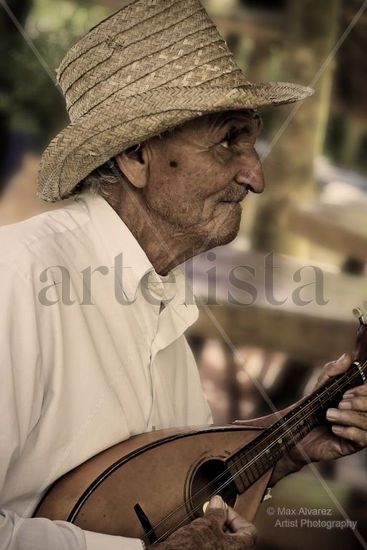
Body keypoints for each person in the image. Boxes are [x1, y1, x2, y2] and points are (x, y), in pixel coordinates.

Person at [1, 1, 367, 549]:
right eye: (229, 140)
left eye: (252, 139)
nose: (256, 175)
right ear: (135, 156)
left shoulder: (162, 290)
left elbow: (177, 496)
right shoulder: (19, 279)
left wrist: (288, 445)